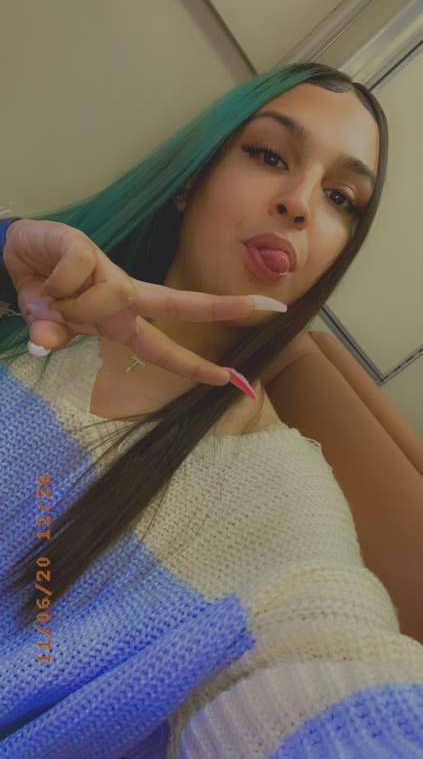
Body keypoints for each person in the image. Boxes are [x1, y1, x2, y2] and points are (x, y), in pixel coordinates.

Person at [0, 61, 422, 757]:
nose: (299, 203)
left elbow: (324, 656)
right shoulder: (31, 302)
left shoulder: (282, 499)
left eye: (340, 198)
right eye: (269, 156)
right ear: (191, 180)